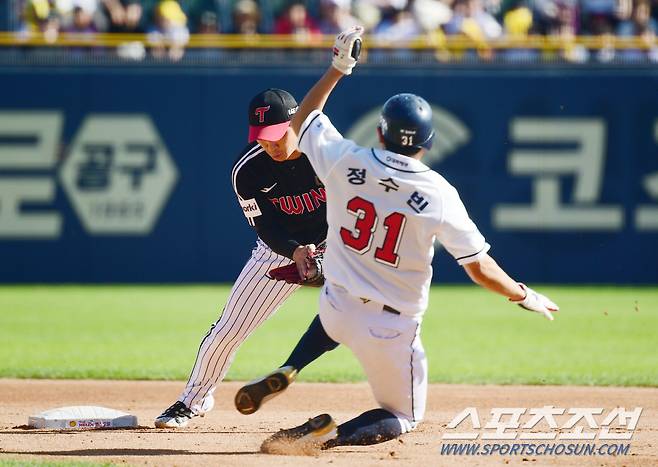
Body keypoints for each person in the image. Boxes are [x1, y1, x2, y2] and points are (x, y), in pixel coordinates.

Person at [234, 26, 559, 452]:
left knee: (337, 312)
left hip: (337, 303)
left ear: (381, 133)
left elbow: (304, 120)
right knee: (402, 416)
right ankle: (327, 436)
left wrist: (338, 66)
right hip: (391, 324)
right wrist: (522, 295)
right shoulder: (439, 193)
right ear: (427, 144)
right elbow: (480, 268)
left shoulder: (346, 161)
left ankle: (292, 365)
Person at [154, 87, 338, 428]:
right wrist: (296, 250)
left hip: (337, 241)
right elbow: (265, 226)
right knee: (227, 330)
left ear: (296, 124)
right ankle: (191, 401)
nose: (269, 145)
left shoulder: (327, 152)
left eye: (276, 136)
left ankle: (399, 406)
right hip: (279, 250)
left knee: (376, 315)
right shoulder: (248, 169)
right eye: (262, 138)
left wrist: (332, 254)